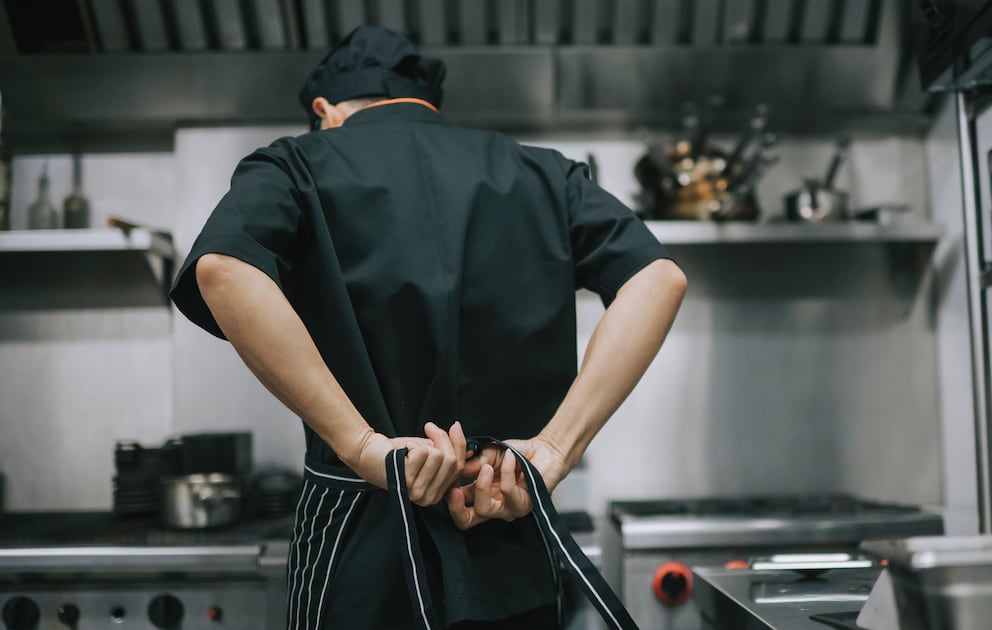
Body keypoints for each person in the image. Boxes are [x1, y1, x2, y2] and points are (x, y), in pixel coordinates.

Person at [170, 25, 686, 630]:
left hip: (363, 538)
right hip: (507, 523)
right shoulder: (546, 174)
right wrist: (552, 450)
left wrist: (363, 445)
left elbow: (225, 268)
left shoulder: (295, 162)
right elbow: (658, 278)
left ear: (325, 111)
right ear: (425, 102)